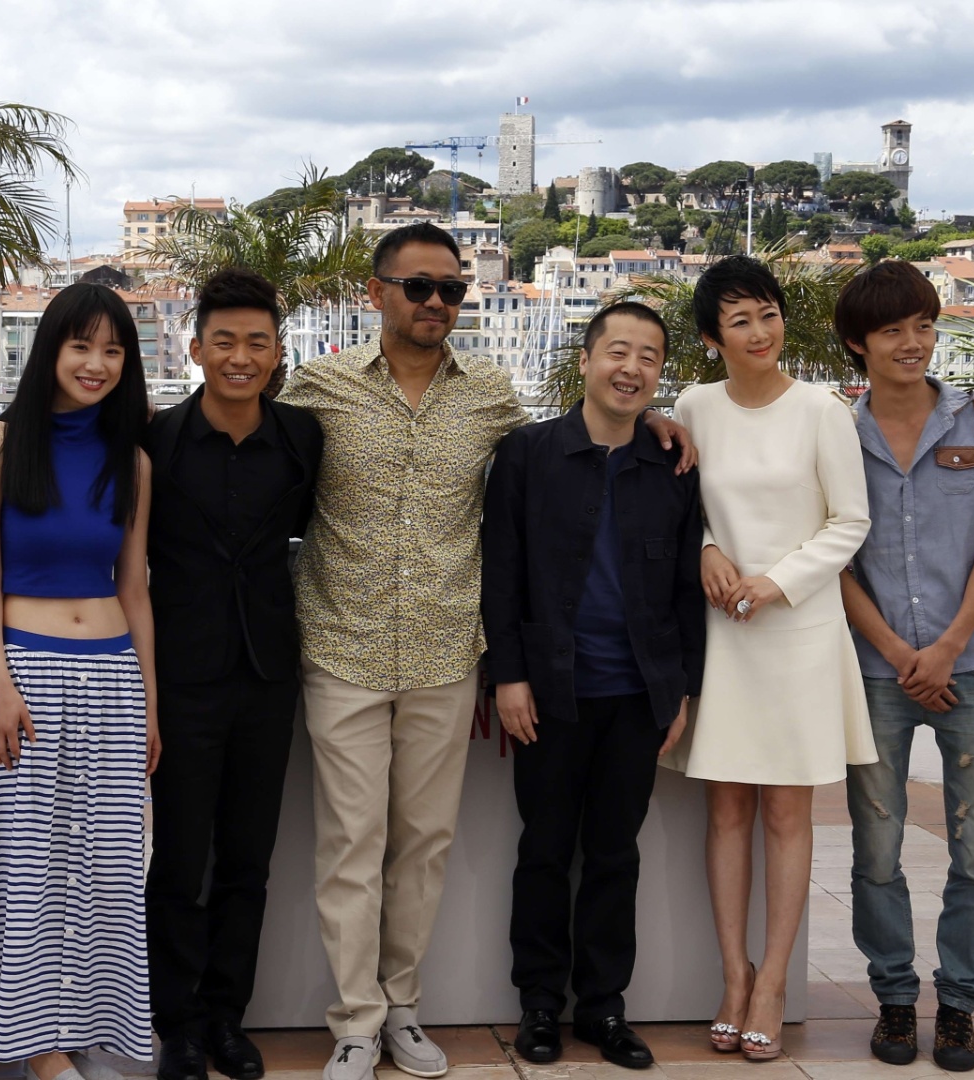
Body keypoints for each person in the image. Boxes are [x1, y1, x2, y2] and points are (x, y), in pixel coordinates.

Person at [282, 222, 694, 1080]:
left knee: (423, 845)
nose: (437, 302)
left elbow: (571, 449)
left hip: (442, 655)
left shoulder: (494, 399)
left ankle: (402, 1009)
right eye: (419, 286)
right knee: (351, 844)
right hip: (342, 647)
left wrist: (654, 416)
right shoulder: (317, 388)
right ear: (377, 292)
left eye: (452, 289)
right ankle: (355, 1021)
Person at [481, 301, 706, 1071]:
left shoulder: (672, 463)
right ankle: (539, 1006)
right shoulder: (527, 454)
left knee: (615, 855)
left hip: (638, 693)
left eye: (648, 356)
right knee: (544, 850)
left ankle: (604, 1009)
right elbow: (500, 573)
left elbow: (684, 586)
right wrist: (506, 674)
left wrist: (683, 690)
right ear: (584, 360)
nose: (631, 368)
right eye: (617, 350)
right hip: (547, 689)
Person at [661, 254, 875, 1062]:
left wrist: (778, 582)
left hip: (796, 633)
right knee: (724, 812)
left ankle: (776, 979)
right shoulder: (692, 405)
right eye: (740, 319)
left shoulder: (822, 409)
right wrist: (708, 553)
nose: (760, 331)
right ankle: (731, 973)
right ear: (712, 337)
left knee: (788, 814)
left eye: (770, 313)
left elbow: (849, 523)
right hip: (720, 632)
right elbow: (682, 504)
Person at [0, 281, 161, 1080]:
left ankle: (88, 1026)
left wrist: (148, 706)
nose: (97, 364)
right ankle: (37, 1047)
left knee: (105, 865)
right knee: (29, 862)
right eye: (81, 346)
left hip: (110, 680)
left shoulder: (132, 459)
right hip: (25, 673)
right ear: (50, 352)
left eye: (113, 350)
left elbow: (135, 586)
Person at [835, 260, 974, 1073]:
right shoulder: (839, 435)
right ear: (858, 344)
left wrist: (947, 647)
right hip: (878, 676)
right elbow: (836, 559)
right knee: (875, 850)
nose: (914, 343)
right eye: (893, 331)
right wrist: (896, 651)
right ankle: (891, 997)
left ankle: (957, 1006)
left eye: (923, 325)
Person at [145, 269, 323, 1080]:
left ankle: (227, 1016)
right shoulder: (156, 444)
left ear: (278, 352)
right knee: (181, 861)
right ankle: (173, 1022)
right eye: (225, 341)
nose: (241, 356)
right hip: (181, 678)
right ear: (196, 349)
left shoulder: (302, 440)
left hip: (268, 674)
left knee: (248, 861)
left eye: (257, 342)